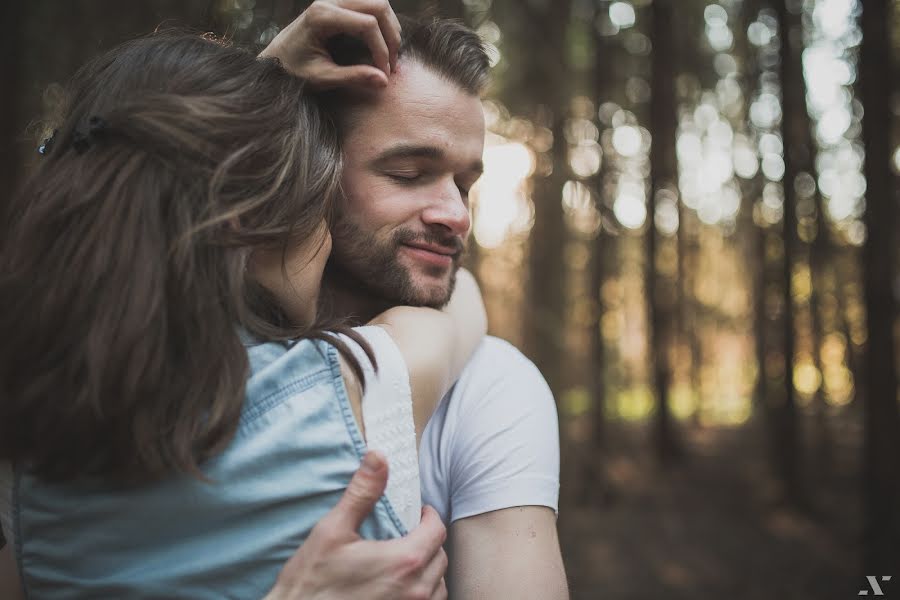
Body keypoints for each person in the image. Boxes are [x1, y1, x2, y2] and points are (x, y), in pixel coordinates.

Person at [0, 29, 486, 599]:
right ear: (245, 214)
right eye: (313, 204)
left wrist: (252, 87)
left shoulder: (26, 442)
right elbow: (457, 311)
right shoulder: (333, 395)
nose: (324, 233)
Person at [260, 2, 570, 598]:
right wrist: (268, 76)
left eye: (465, 184)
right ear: (310, 171)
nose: (456, 214)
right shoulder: (176, 356)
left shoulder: (489, 387)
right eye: (407, 173)